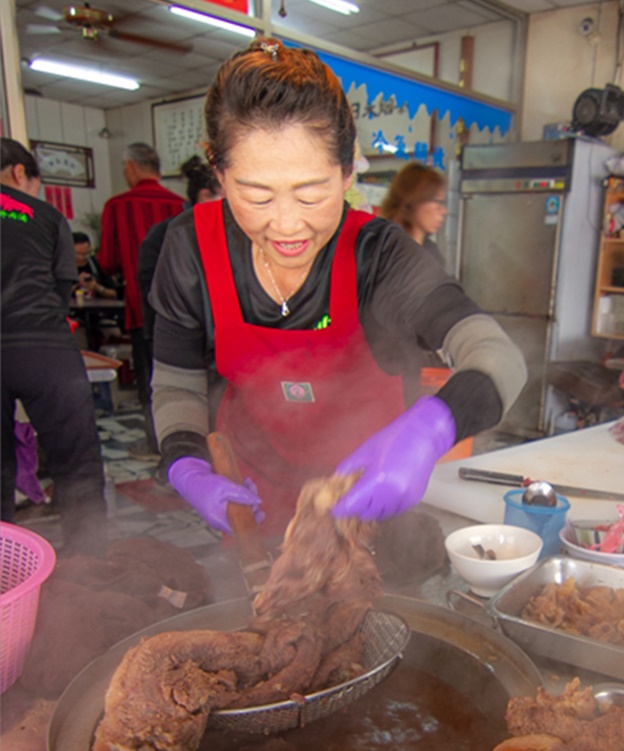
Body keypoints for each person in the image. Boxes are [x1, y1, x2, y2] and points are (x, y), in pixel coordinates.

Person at [151, 38, 526, 536]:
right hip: (250, 500)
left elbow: (499, 357)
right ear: (218, 171)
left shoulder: (380, 255)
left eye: (311, 194)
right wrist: (187, 466)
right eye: (255, 195)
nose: (286, 225)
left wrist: (432, 428)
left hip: (370, 502)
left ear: (349, 168)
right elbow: (176, 384)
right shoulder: (190, 247)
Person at [1, 138, 107, 556]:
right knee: (76, 461)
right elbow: (63, 290)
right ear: (19, 173)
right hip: (44, 349)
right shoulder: (46, 216)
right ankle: (90, 564)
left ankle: (7, 581)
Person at [98, 142, 185, 455]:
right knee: (188, 382)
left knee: (154, 382)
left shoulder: (117, 206)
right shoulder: (181, 206)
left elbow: (107, 261)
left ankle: (159, 448)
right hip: (188, 311)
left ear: (131, 168)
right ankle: (189, 450)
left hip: (143, 311)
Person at [138, 157, 221, 347]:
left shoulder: (231, 232)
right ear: (205, 195)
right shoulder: (170, 234)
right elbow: (155, 293)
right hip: (181, 340)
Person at [379, 162, 448, 265]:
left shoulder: (432, 253)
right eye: (437, 201)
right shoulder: (383, 250)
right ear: (414, 200)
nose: (443, 211)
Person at [71, 231, 121, 354]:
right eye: (78, 254)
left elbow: (115, 293)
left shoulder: (96, 265)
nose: (83, 258)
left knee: (115, 335)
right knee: (80, 344)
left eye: (86, 254)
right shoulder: (62, 268)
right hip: (75, 317)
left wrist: (96, 287)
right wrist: (74, 285)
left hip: (99, 315)